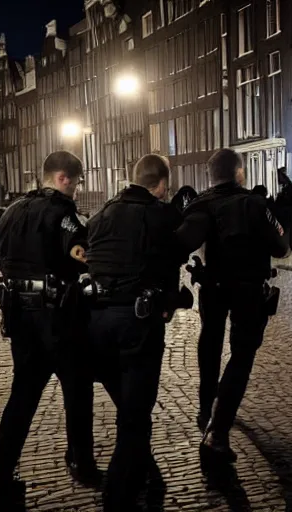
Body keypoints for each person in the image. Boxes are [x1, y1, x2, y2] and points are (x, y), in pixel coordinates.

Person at [0, 150, 100, 511]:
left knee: (22, 396)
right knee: (78, 388)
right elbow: (83, 252)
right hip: (57, 319)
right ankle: (81, 460)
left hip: (19, 319)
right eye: (77, 183)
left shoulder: (12, 212)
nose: (77, 191)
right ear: (64, 178)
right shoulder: (62, 214)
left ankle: (1, 477)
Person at [85, 154, 186, 510]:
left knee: (127, 403)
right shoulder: (161, 215)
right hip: (137, 322)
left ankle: (144, 468)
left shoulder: (101, 215)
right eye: (166, 185)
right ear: (159, 184)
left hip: (96, 323)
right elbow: (176, 256)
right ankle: (119, 492)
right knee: (135, 412)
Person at [177, 149, 290, 463]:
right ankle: (219, 429)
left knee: (210, 340)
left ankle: (205, 407)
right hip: (247, 291)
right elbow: (282, 247)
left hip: (212, 287)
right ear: (240, 172)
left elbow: (180, 243)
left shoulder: (200, 204)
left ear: (212, 175)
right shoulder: (254, 204)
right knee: (241, 354)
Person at [274, 168, 292, 251]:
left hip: (286, 210)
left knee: (286, 229)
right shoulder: (289, 184)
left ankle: (288, 246)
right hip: (289, 210)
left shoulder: (287, 186)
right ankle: (290, 246)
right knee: (290, 229)